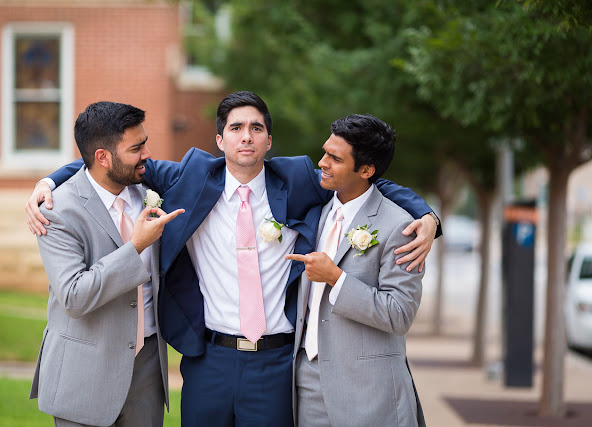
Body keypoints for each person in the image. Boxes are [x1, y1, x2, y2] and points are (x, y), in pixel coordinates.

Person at [25, 92, 439, 426]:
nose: (246, 136)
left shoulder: (297, 179)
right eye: (236, 128)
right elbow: (107, 161)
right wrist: (48, 180)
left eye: (256, 128)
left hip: (276, 362)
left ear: (269, 141)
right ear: (219, 140)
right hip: (209, 359)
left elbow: (364, 178)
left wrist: (426, 215)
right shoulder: (188, 177)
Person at [29, 101, 184, 426]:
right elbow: (74, 296)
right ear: (103, 157)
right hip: (84, 370)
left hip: (147, 369)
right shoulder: (57, 211)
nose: (147, 154)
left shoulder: (150, 191)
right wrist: (136, 246)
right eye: (136, 148)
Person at [286, 114, 426, 426]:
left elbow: (399, 314)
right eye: (324, 152)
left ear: (366, 170)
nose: (322, 163)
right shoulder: (315, 213)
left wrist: (336, 278)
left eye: (334, 158)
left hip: (369, 393)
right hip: (306, 385)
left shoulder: (399, 226)